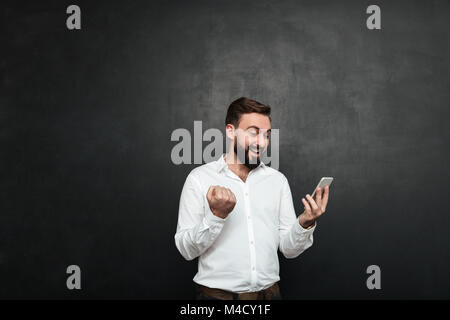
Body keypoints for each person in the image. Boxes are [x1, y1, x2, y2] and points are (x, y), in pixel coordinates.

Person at [174, 97, 330, 300]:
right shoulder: (199, 179)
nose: (262, 143)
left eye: (267, 135)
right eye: (253, 133)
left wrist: (305, 223)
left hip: (270, 297)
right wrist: (216, 216)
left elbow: (289, 250)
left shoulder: (277, 181)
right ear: (230, 131)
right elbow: (186, 250)